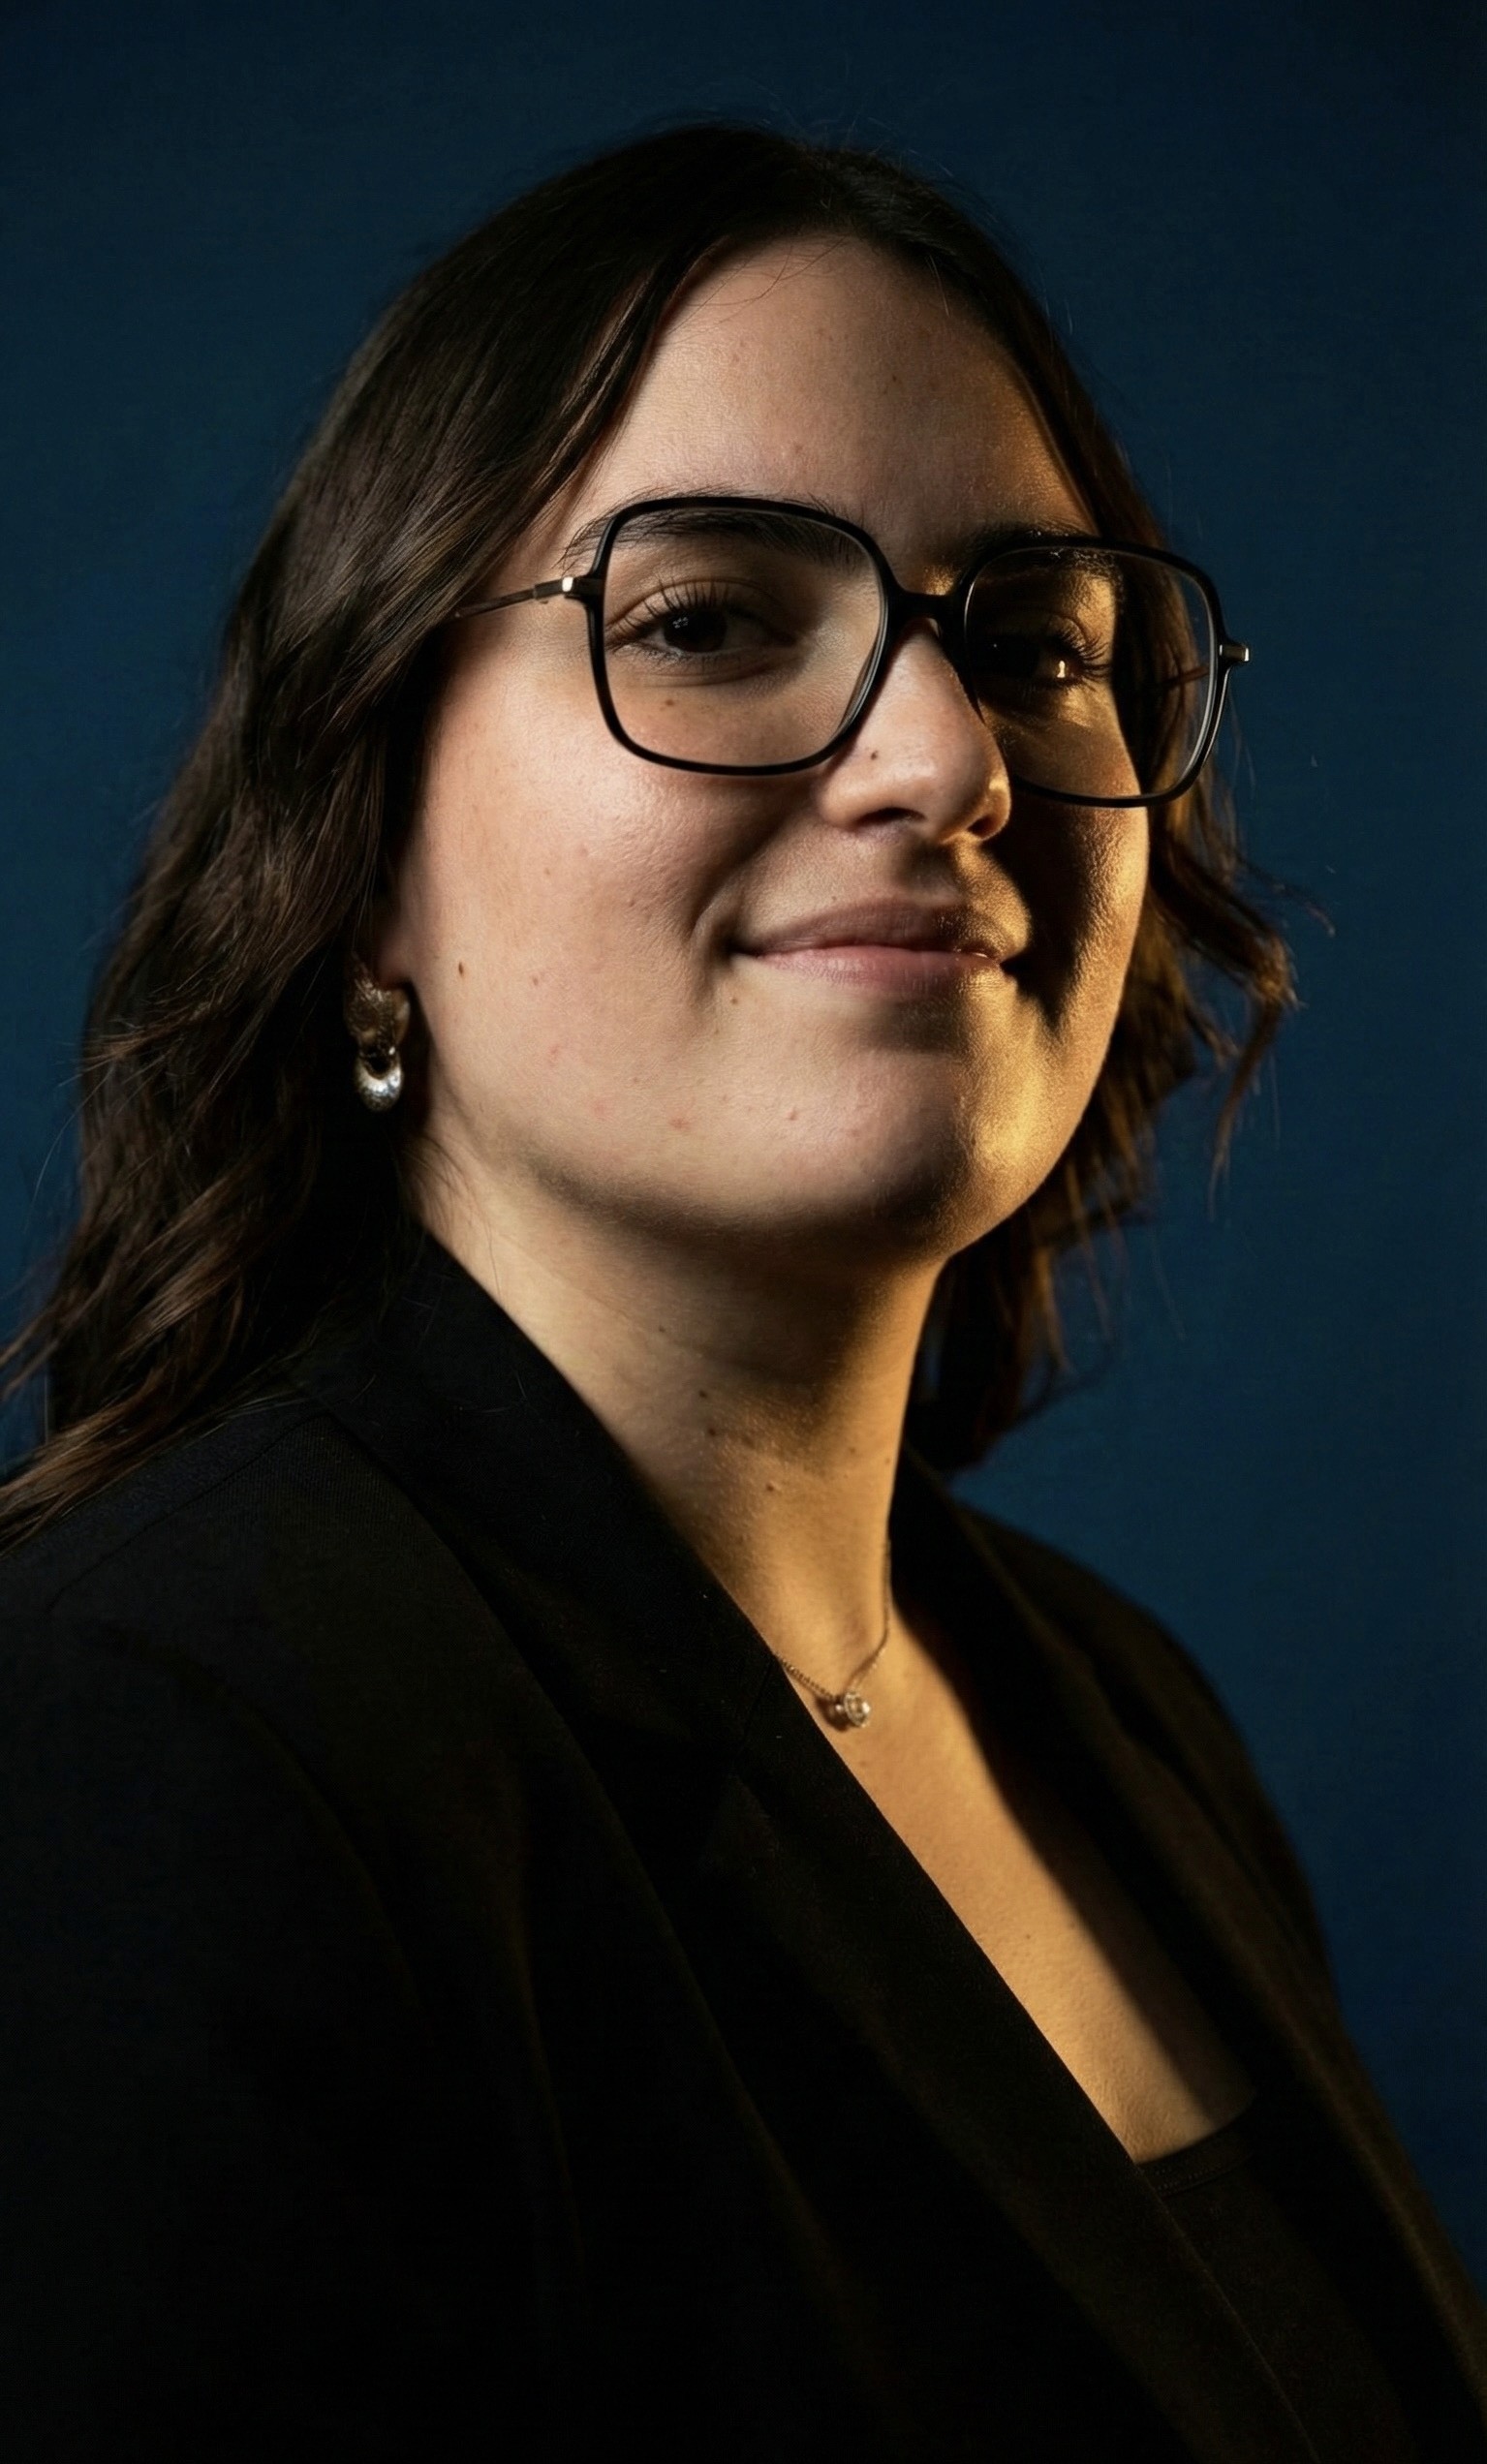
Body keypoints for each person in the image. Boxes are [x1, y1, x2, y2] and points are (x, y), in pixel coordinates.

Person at [0, 123, 1480, 2462]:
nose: (945, 756)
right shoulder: (137, 1755)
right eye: (703, 616)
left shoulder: (1110, 1707)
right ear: (359, 854)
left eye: (1033, 637)